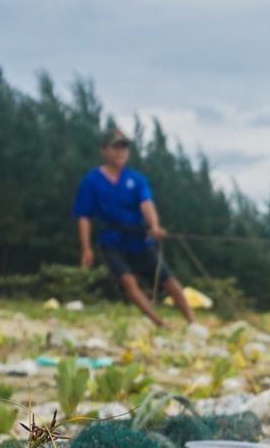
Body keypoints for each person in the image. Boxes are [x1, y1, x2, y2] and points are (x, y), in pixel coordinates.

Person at [72, 127, 198, 327]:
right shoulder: (91, 181)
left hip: (139, 239)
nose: (120, 152)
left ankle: (192, 321)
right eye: (115, 148)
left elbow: (146, 204)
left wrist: (155, 226)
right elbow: (83, 216)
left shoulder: (137, 180)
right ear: (104, 151)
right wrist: (86, 248)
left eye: (124, 148)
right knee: (128, 282)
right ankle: (160, 323)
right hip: (112, 240)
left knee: (168, 279)